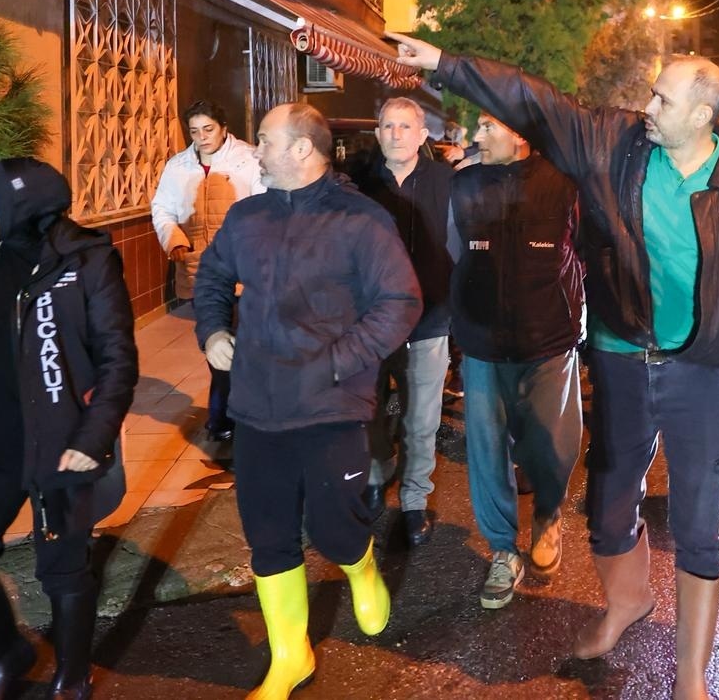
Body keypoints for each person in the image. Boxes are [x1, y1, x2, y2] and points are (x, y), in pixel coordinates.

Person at [390, 33, 719, 700]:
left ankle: (691, 673)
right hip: (621, 354)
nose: (648, 107)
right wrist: (444, 66)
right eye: (651, 94)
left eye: (663, 99)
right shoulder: (614, 145)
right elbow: (535, 101)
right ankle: (627, 603)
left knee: (698, 520)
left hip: (697, 367)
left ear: (703, 114)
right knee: (607, 509)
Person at [195, 103, 421, 699]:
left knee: (333, 526)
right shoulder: (247, 216)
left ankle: (360, 566)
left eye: (265, 140)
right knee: (267, 534)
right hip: (257, 405)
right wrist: (213, 332)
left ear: (301, 148)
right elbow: (211, 277)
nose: (256, 150)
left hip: (329, 405)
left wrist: (335, 363)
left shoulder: (361, 219)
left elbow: (400, 303)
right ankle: (290, 657)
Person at [0, 157, 139, 700]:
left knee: (63, 571)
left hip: (58, 445)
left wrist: (94, 436)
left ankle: (72, 677)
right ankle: (8, 654)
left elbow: (117, 359)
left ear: (16, 205)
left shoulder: (86, 260)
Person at [447, 111, 584, 609]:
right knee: (487, 452)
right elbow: (455, 252)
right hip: (483, 343)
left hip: (548, 341)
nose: (476, 136)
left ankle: (548, 516)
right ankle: (503, 549)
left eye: (488, 126)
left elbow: (585, 253)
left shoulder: (563, 184)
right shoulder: (465, 185)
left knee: (552, 446)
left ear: (520, 134)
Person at [352, 96, 454, 546]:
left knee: (421, 419)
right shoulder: (357, 183)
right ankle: (378, 474)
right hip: (370, 321)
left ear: (422, 134)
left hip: (429, 320)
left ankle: (414, 499)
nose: (396, 134)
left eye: (405, 126)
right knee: (369, 409)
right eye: (388, 126)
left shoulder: (446, 182)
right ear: (377, 134)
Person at [150, 100, 264, 442]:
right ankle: (223, 418)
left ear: (223, 127)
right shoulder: (178, 166)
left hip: (244, 272)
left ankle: (234, 417)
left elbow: (265, 207)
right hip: (200, 270)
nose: (202, 137)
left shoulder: (249, 159)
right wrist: (174, 240)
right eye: (195, 131)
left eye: (208, 129)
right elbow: (162, 209)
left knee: (244, 344)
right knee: (216, 344)